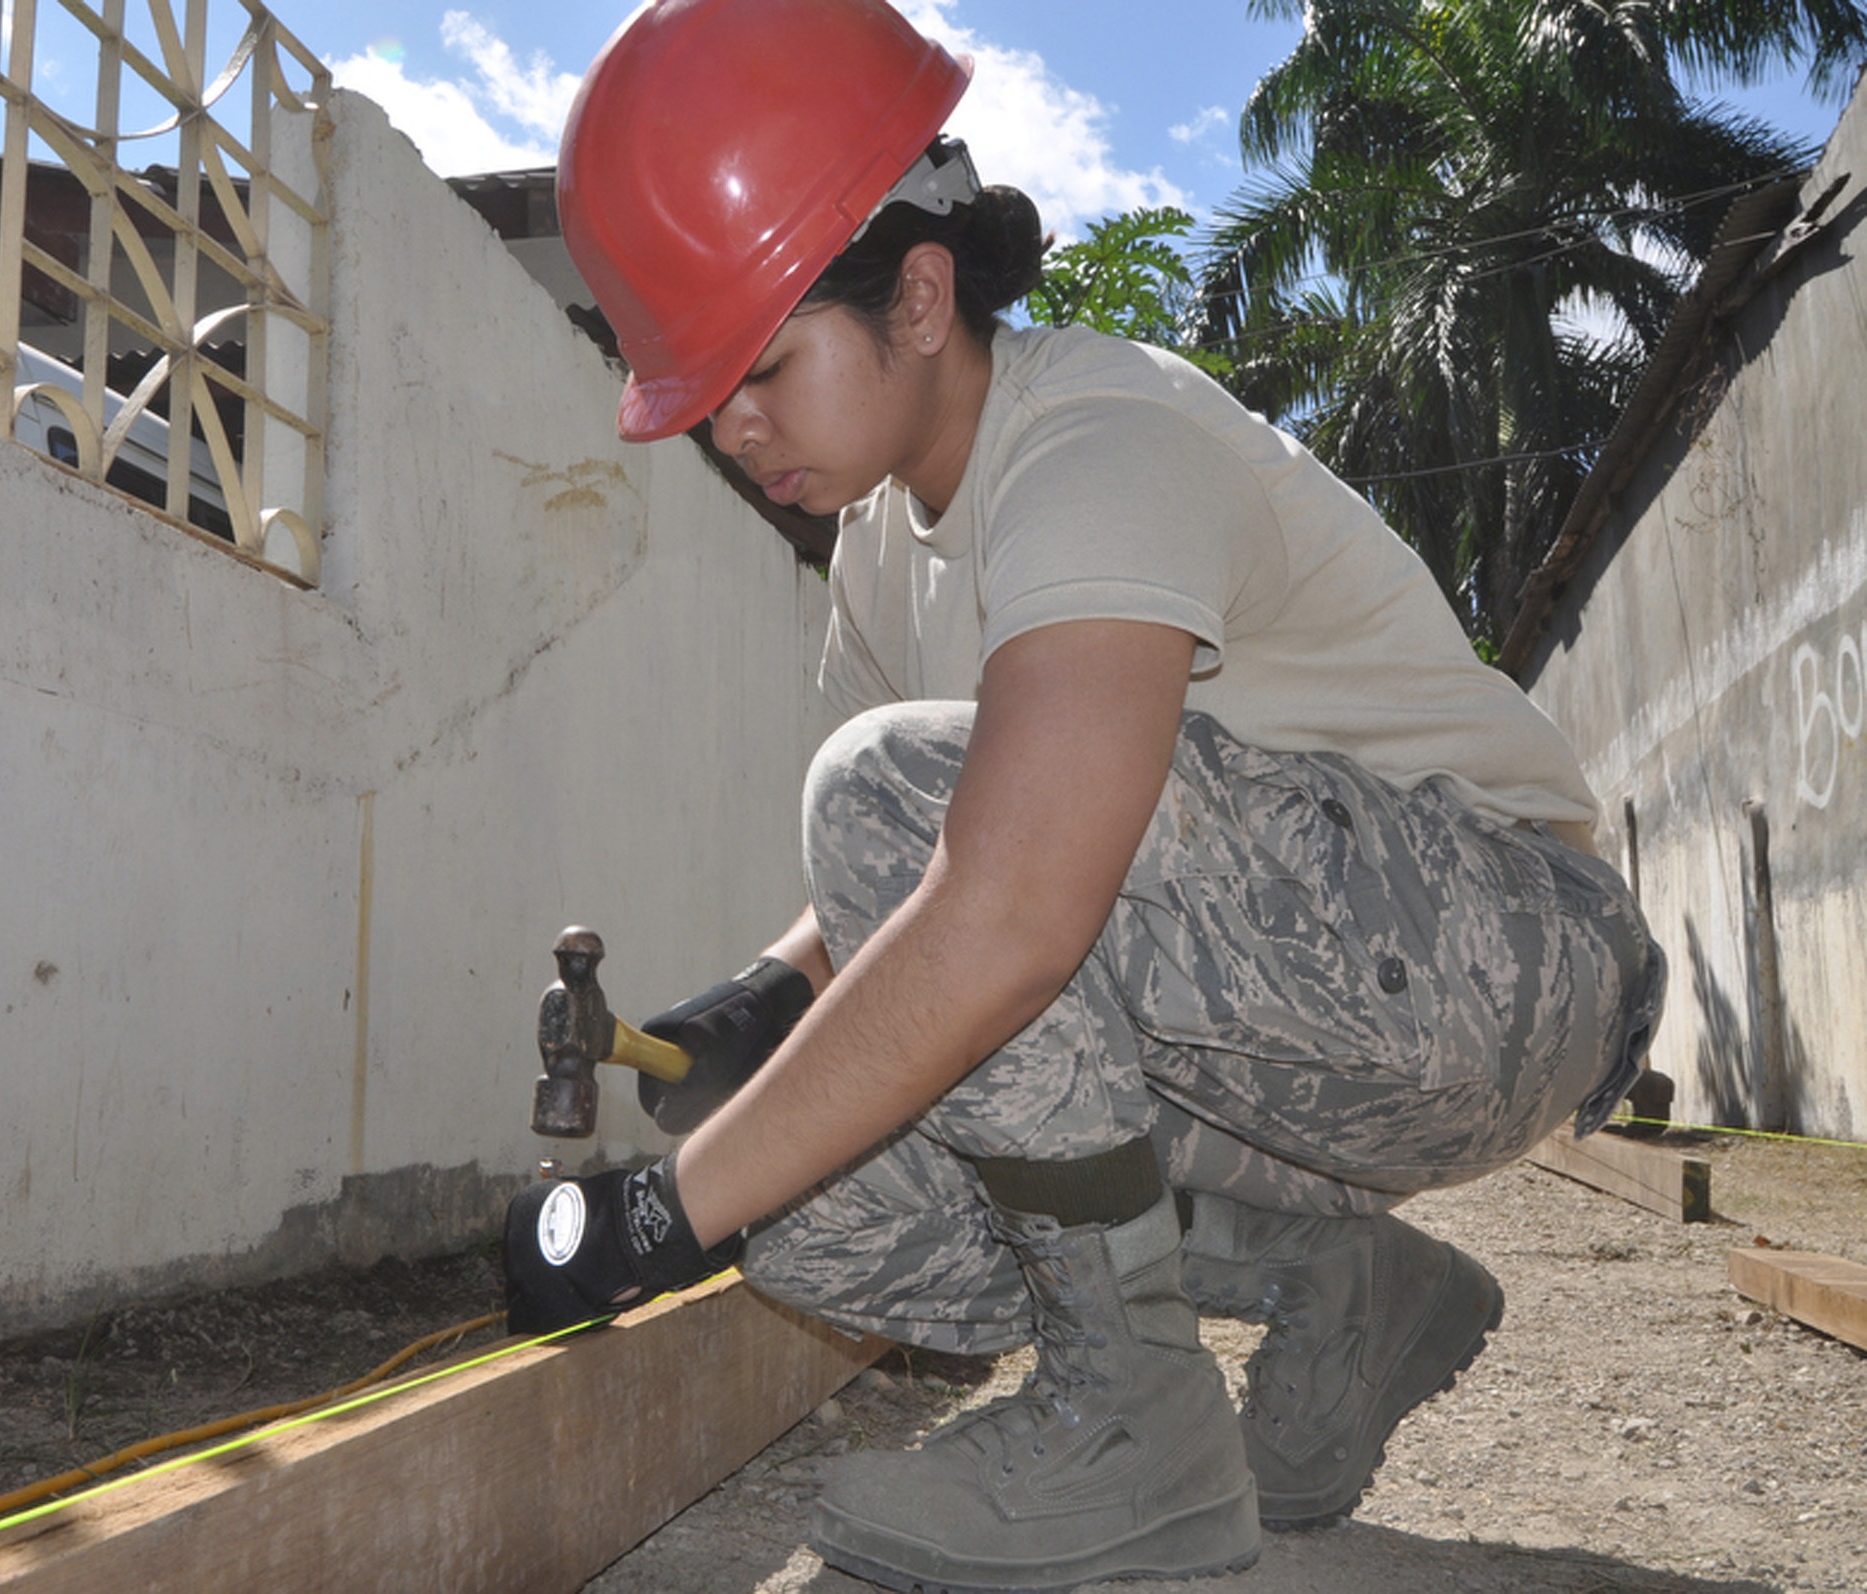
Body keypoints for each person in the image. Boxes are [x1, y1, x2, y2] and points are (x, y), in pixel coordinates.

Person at [499, 1, 1666, 1588]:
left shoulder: (1096, 440)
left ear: (919, 295)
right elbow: (897, 902)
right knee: (820, 1204)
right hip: (1303, 1025)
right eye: (703, 398)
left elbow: (998, 900)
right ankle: (1339, 1279)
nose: (733, 427)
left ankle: (1135, 1434)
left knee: (887, 839)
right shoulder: (872, 551)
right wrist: (756, 1010)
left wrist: (658, 1217)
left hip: (1514, 958)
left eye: (760, 366)